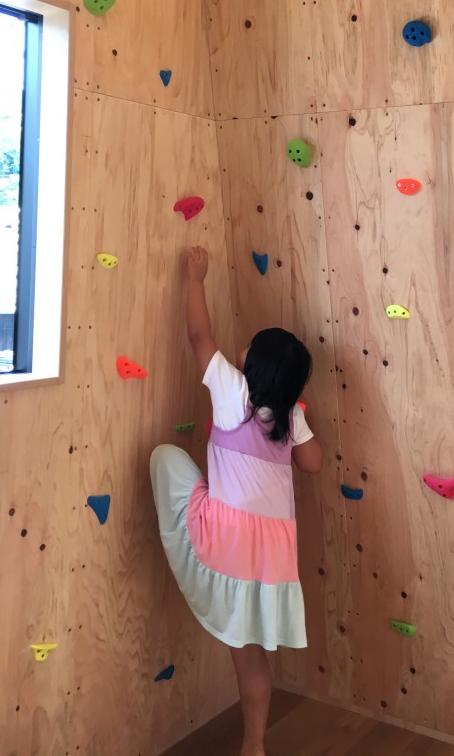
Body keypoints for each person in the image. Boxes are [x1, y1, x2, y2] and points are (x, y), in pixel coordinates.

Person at [150, 246, 323, 756]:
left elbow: (200, 337)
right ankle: (254, 746)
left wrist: (195, 278)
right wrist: (298, 422)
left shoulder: (233, 394)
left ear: (254, 364)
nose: (240, 349)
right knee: (250, 658)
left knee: (164, 457)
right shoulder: (292, 416)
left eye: (248, 346)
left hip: (225, 541)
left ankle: (208, 497)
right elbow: (312, 464)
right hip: (268, 559)